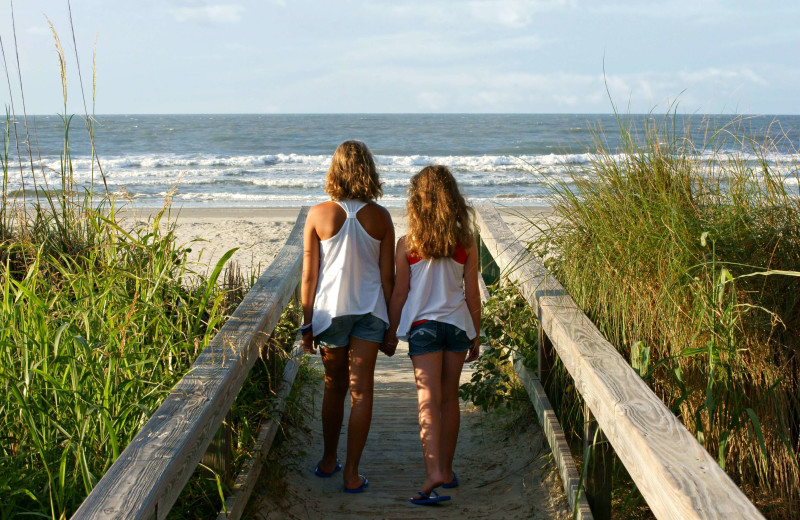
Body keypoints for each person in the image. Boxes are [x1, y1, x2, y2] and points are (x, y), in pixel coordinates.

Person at [300, 140, 395, 493]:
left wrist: (306, 325)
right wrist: (392, 327)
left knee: (334, 387)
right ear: (369, 170)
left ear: (334, 170)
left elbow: (309, 275)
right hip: (371, 312)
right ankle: (352, 474)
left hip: (331, 312)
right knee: (362, 392)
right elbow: (388, 279)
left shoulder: (318, 214)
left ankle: (328, 460)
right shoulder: (381, 217)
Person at [384, 165, 481, 505]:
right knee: (448, 399)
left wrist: (391, 333)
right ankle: (448, 470)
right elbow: (472, 294)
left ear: (417, 202)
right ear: (453, 200)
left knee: (427, 401)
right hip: (456, 327)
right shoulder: (465, 242)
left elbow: (399, 294)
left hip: (422, 329)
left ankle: (433, 473)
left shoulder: (408, 244)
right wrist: (476, 334)